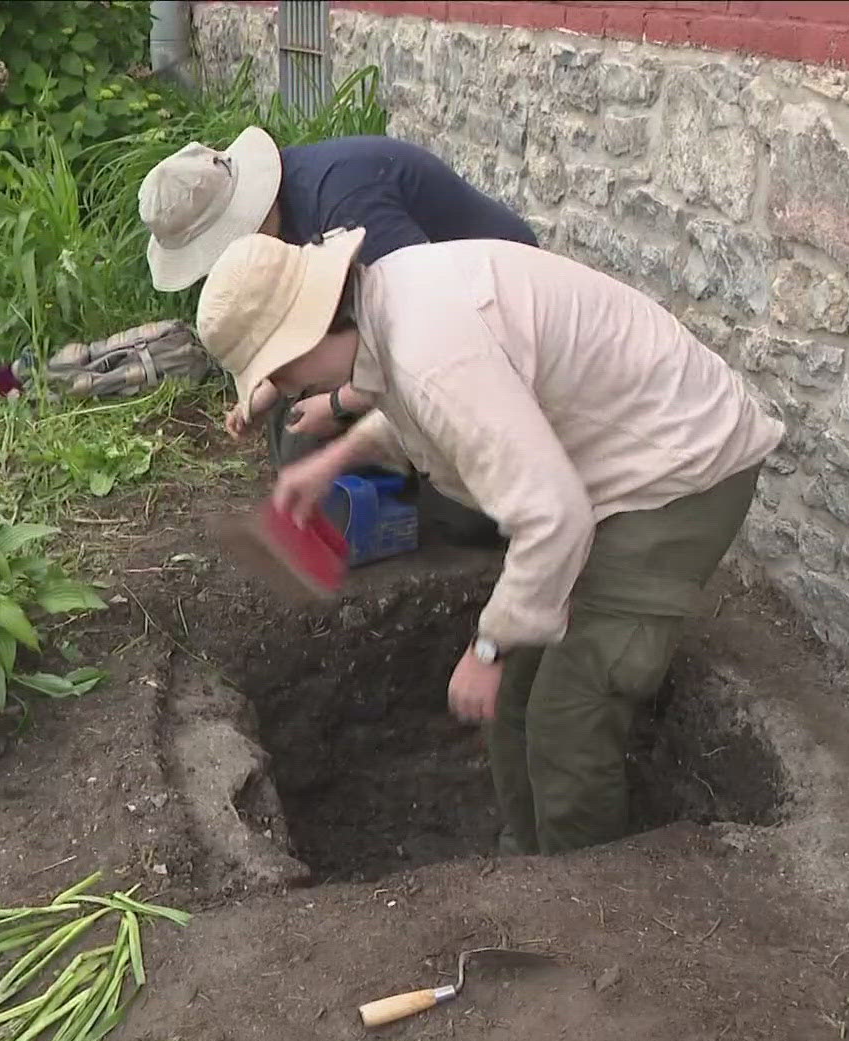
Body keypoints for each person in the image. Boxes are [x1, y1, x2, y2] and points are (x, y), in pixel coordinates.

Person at [194, 227, 784, 856]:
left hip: (679, 475)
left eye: (283, 375)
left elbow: (552, 515)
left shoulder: (433, 350)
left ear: (308, 337)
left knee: (568, 719)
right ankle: (530, 859)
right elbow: (438, 410)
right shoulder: (389, 297)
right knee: (514, 709)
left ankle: (584, 897)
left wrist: (486, 648)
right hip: (601, 473)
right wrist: (337, 457)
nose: (288, 391)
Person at [139, 127, 536, 514]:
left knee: (461, 520)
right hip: (403, 325)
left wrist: (338, 403)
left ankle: (437, 497)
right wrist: (266, 389)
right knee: (296, 440)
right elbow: (304, 326)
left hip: (493, 322)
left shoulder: (346, 201)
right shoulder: (282, 213)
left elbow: (429, 330)